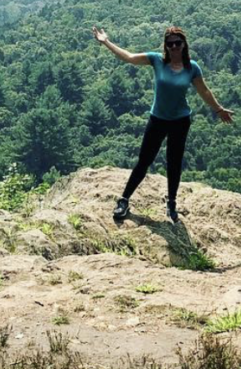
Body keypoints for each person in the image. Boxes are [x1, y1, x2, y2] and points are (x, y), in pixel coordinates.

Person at [92, 24, 233, 223]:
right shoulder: (157, 60)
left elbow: (204, 91)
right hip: (157, 119)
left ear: (184, 44)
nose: (174, 47)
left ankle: (171, 202)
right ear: (165, 46)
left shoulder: (192, 67)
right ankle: (124, 200)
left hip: (180, 121)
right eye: (170, 44)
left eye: (177, 43)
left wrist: (218, 109)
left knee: (174, 163)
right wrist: (106, 42)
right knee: (144, 161)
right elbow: (129, 57)